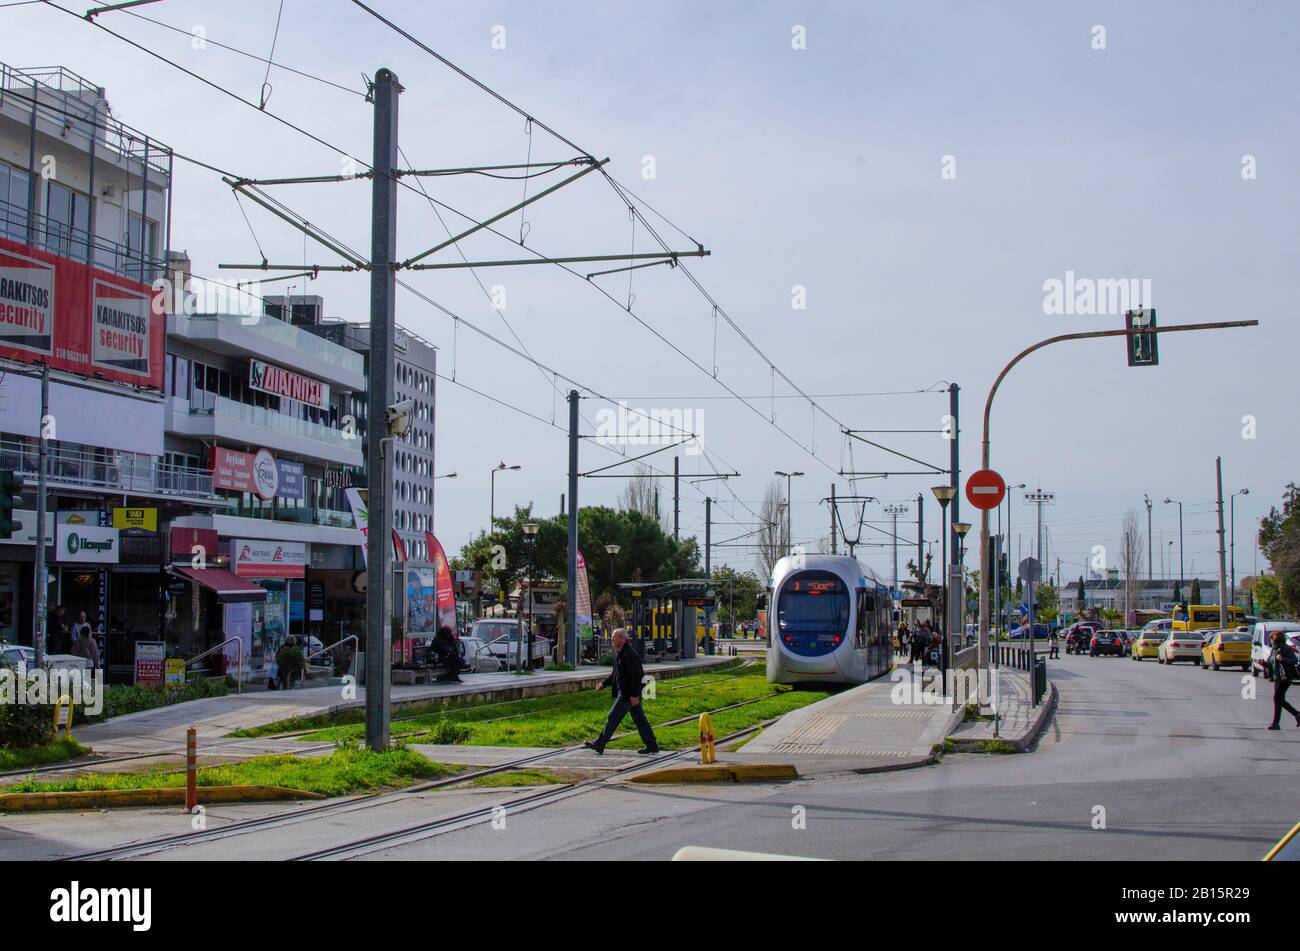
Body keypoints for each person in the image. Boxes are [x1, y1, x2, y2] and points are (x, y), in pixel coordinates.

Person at [585, 628, 659, 755]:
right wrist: (604, 683)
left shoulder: (629, 654)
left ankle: (600, 744)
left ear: (623, 639)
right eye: (612, 637)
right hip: (627, 693)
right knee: (640, 720)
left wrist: (635, 695)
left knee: (612, 717)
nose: (612, 639)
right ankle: (652, 745)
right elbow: (615, 674)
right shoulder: (620, 653)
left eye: (615, 637)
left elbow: (637, 676)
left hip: (627, 694)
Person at [1266, 630, 1299, 731]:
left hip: (1285, 677)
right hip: (1278, 678)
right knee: (1279, 700)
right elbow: (1272, 663)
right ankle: (1296, 715)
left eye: (1271, 639)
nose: (1270, 641)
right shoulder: (1274, 649)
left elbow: (1294, 660)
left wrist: (1282, 659)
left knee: (1277, 699)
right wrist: (1264, 663)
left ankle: (1276, 723)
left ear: (1275, 639)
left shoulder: (1285, 648)